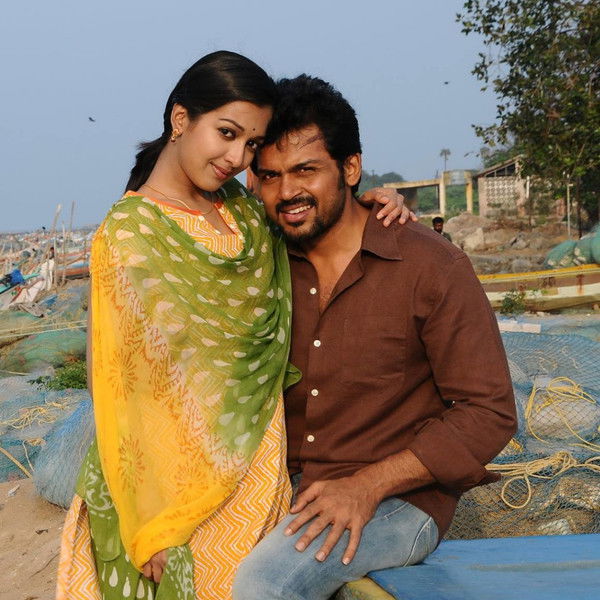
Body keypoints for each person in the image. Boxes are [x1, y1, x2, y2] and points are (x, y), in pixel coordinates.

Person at [56, 51, 410, 600]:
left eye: (251, 143)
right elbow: (124, 391)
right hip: (176, 485)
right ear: (180, 119)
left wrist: (369, 203)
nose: (236, 157)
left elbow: (310, 221)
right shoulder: (130, 235)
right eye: (226, 133)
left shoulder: (243, 208)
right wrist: (154, 521)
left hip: (258, 464)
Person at [233, 75, 517, 599]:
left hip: (398, 501)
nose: (287, 192)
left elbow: (489, 412)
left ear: (350, 168)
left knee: (262, 585)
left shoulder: (431, 267)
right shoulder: (261, 262)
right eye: (270, 176)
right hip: (279, 487)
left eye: (306, 170)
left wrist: (367, 486)